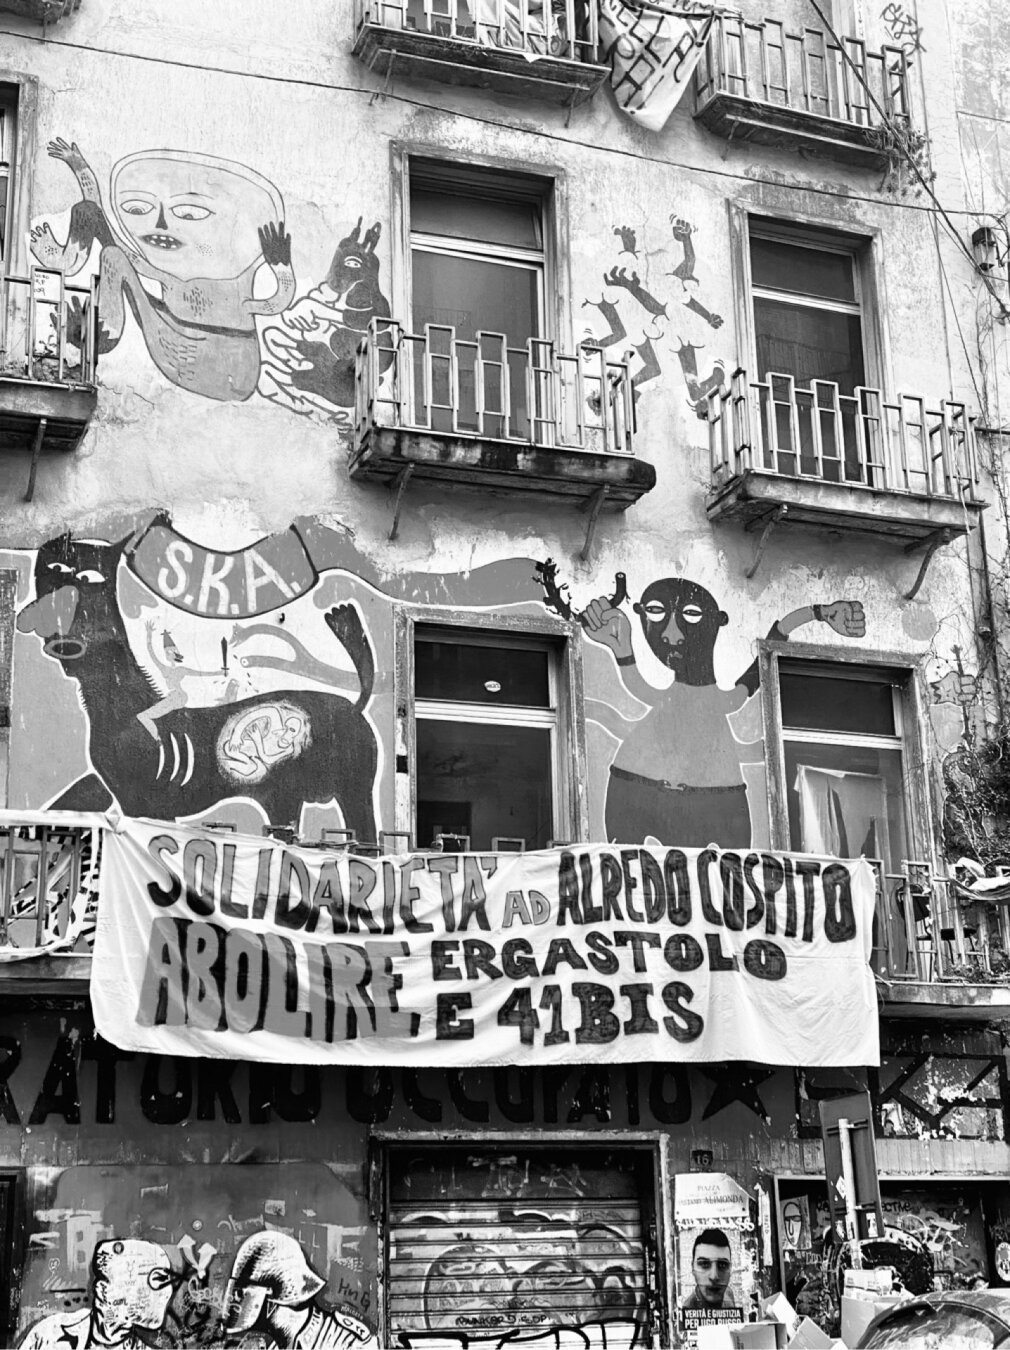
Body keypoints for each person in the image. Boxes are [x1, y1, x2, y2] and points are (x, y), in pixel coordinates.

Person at [583, 578, 865, 847]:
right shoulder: (719, 700)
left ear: (717, 621)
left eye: (691, 614)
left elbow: (770, 648)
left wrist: (818, 613)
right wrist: (621, 647)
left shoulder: (726, 700)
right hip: (635, 787)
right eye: (656, 612)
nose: (672, 633)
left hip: (712, 802)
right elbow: (637, 689)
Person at [224, 1231, 375, 1349]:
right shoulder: (276, 1345)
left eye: (241, 1293)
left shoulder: (346, 1341)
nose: (236, 1301)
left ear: (273, 1297)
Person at [19, 1239, 177, 1349]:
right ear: (103, 1291)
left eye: (165, 1281)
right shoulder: (49, 1334)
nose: (165, 1292)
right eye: (155, 1279)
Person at [682, 1228, 735, 1312]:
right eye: (704, 1264)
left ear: (730, 1269)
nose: (714, 1276)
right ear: (693, 1268)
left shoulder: (728, 1293)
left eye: (722, 1265)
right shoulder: (688, 1310)